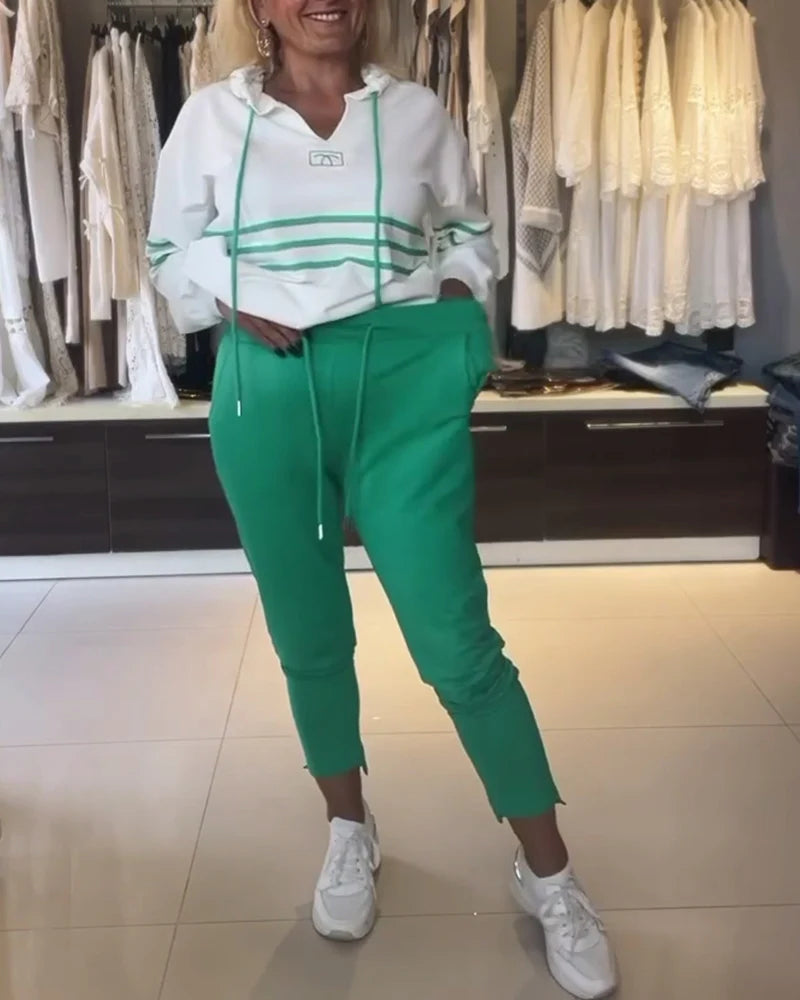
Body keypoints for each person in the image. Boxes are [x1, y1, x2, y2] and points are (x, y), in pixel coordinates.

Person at [147, 2, 617, 996]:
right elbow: (164, 253)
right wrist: (228, 292)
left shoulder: (415, 113)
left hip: (401, 391)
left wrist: (452, 305)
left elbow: (469, 232)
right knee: (309, 636)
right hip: (269, 395)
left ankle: (550, 875)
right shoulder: (212, 118)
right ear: (258, 7)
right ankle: (348, 828)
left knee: (457, 643)